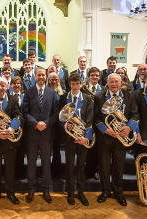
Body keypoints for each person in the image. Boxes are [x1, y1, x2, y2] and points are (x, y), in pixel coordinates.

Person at [94, 73, 138, 206]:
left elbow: (135, 114)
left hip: (121, 137)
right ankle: (105, 191)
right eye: (111, 82)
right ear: (107, 83)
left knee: (119, 166)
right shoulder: (99, 96)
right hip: (105, 137)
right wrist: (105, 129)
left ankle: (118, 192)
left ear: (120, 83)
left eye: (116, 82)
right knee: (104, 166)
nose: (114, 84)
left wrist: (129, 128)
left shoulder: (129, 95)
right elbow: (96, 117)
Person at [23, 67, 59, 204]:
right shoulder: (28, 92)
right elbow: (25, 113)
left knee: (46, 162)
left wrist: (45, 124)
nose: (41, 77)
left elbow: (55, 113)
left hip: (47, 132)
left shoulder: (52, 93)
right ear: (35, 76)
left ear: (46, 76)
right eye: (39, 75)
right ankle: (31, 188)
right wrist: (36, 124)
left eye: (43, 75)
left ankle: (45, 188)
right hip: (32, 133)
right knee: (31, 162)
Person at [59, 73, 93, 206]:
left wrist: (86, 137)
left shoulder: (87, 98)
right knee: (69, 166)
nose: (75, 86)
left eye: (77, 84)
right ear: (69, 84)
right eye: (72, 84)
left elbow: (90, 118)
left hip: (83, 137)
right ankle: (70, 192)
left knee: (81, 166)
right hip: (69, 138)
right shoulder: (64, 98)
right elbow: (60, 117)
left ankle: (81, 192)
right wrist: (66, 125)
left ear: (80, 84)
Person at [0, 77, 23, 206]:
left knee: (10, 169)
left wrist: (10, 129)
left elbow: (18, 116)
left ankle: (10, 193)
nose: (1, 88)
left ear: (7, 87)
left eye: (3, 85)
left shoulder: (13, 99)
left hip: (9, 139)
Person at [83, 67, 106, 180]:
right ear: (89, 76)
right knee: (87, 148)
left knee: (99, 148)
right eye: (92, 75)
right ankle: (88, 170)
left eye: (97, 75)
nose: (95, 77)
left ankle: (97, 170)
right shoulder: (83, 89)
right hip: (87, 122)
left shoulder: (104, 90)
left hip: (100, 122)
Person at [47, 72, 65, 179]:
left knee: (57, 149)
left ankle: (56, 171)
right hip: (48, 124)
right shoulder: (44, 92)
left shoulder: (62, 94)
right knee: (46, 149)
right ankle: (46, 171)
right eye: (51, 79)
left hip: (58, 126)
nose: (54, 81)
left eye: (56, 79)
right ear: (48, 81)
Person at [10, 76, 26, 179]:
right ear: (11, 85)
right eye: (14, 83)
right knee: (12, 153)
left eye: (18, 83)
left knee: (21, 151)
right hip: (11, 128)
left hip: (23, 129)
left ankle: (20, 173)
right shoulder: (8, 96)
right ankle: (12, 173)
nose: (16, 85)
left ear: (21, 85)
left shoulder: (25, 96)